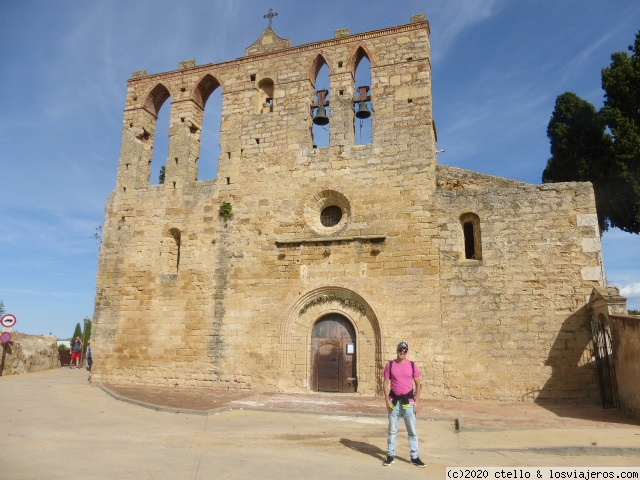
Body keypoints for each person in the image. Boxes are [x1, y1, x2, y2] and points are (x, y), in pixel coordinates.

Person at [382, 341, 426, 467]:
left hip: (408, 403)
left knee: (412, 431)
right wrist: (387, 401)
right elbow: (385, 383)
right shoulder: (390, 365)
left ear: (407, 352)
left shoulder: (412, 365)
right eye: (400, 350)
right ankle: (390, 455)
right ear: (397, 350)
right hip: (394, 402)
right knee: (392, 430)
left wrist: (416, 402)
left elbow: (418, 384)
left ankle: (415, 456)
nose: (402, 352)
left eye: (405, 350)